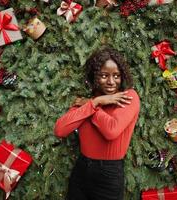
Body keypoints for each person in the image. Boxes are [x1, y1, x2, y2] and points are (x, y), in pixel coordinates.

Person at [54, 47, 140, 200]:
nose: (111, 81)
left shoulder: (128, 98)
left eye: (116, 76)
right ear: (94, 76)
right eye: (104, 75)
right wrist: (96, 102)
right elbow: (60, 130)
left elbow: (111, 131)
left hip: (108, 175)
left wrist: (93, 106)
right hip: (81, 171)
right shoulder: (87, 103)